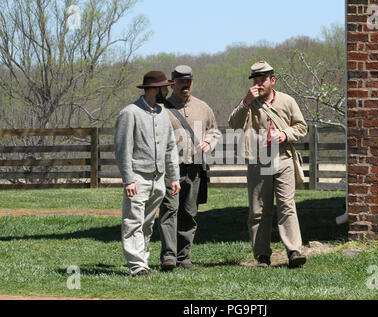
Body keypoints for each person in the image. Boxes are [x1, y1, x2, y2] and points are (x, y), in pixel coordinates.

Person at [228, 61, 308, 268]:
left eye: (262, 79)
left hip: (283, 157)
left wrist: (284, 134)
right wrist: (245, 102)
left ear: (272, 80)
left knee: (287, 205)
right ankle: (262, 255)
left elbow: (301, 127)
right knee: (258, 209)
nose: (258, 83)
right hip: (259, 159)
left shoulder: (287, 101)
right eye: (255, 79)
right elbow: (233, 124)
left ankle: (293, 251)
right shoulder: (248, 103)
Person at [114, 70, 181, 276]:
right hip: (138, 177)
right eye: (165, 87)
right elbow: (123, 148)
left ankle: (143, 260)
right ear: (155, 89)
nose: (168, 90)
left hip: (158, 179)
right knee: (133, 221)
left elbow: (170, 147)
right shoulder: (130, 113)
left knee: (147, 223)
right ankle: (137, 265)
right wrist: (128, 180)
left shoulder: (162, 113)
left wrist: (174, 177)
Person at [158, 65, 221, 271]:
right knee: (169, 211)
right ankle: (168, 256)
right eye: (181, 81)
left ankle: (183, 258)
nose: (185, 85)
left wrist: (209, 142)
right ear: (172, 83)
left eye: (188, 81)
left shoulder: (204, 108)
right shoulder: (161, 109)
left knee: (189, 213)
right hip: (170, 170)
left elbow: (215, 131)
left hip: (194, 169)